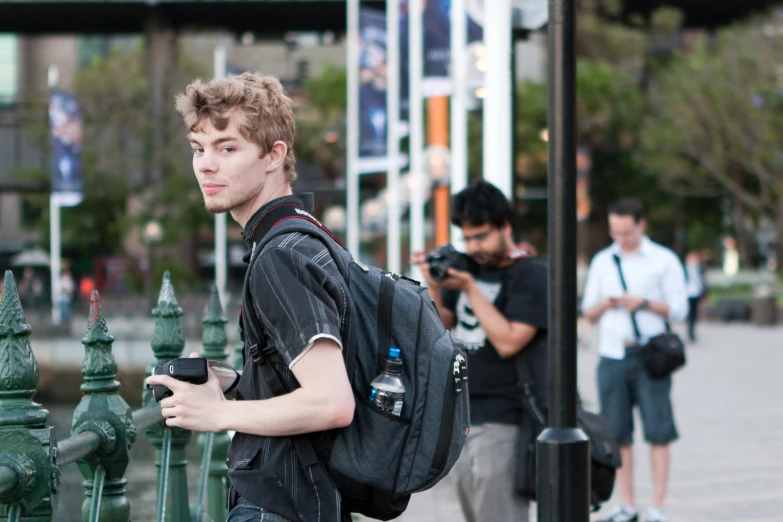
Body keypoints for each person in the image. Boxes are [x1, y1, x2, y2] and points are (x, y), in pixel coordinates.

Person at [145, 72, 355, 522]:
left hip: (281, 504)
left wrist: (217, 413)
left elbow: (331, 402)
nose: (205, 165)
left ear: (273, 156)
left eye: (227, 148)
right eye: (198, 149)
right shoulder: (307, 237)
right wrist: (239, 383)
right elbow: (304, 379)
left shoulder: (281, 256)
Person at [411, 179, 548, 522]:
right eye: (467, 238)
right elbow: (441, 324)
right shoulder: (467, 268)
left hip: (506, 421)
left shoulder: (531, 274)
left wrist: (471, 288)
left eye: (482, 236)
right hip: (462, 417)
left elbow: (508, 341)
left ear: (506, 226)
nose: (474, 247)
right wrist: (433, 283)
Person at [581, 198, 688, 522]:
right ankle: (627, 504)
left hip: (649, 356)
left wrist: (643, 303)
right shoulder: (603, 261)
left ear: (641, 226)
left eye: (627, 232)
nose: (621, 239)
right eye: (615, 233)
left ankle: (657, 507)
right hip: (612, 354)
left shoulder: (663, 260)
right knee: (617, 434)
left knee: (659, 431)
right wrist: (608, 304)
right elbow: (588, 312)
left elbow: (680, 308)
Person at [684, 250, 706, 343]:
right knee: (689, 313)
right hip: (687, 293)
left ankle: (692, 332)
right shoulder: (684, 269)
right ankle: (689, 331)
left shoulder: (699, 268)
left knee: (694, 313)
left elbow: (702, 280)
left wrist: (704, 292)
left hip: (696, 292)